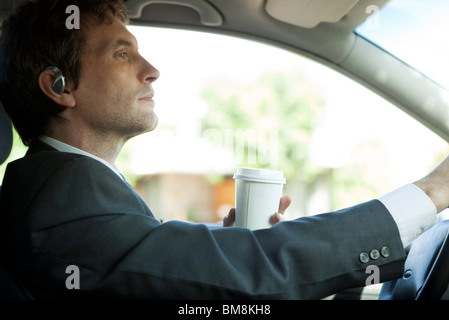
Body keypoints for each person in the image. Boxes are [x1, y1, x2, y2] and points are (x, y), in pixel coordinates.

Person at [0, 0, 445, 299]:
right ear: (59, 87)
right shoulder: (62, 191)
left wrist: (230, 244)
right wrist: (431, 191)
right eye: (122, 54)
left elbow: (168, 280)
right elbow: (247, 267)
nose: (152, 70)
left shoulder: (64, 186)